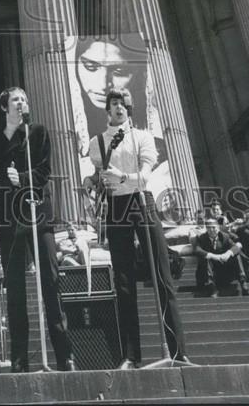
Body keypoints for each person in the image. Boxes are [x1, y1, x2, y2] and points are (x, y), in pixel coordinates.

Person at [86, 89, 190, 369]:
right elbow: (99, 175)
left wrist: (123, 176)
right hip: (115, 206)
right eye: (114, 104)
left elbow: (145, 175)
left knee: (162, 274)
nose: (118, 107)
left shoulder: (142, 137)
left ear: (129, 109)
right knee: (123, 280)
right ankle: (130, 356)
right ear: (107, 110)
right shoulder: (97, 142)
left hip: (142, 201)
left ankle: (178, 351)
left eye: (123, 104)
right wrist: (92, 181)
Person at [0, 86, 75, 373]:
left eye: (24, 99)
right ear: (4, 107)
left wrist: (20, 177)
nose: (21, 103)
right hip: (8, 220)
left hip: (37, 216)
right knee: (15, 290)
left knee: (51, 282)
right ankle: (20, 359)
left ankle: (64, 355)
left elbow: (44, 172)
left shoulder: (38, 133)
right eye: (15, 100)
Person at [194, 218, 249, 297]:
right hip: (211, 272)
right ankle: (212, 289)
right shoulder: (201, 238)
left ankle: (244, 287)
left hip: (225, 270)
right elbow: (197, 250)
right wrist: (214, 256)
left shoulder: (224, 236)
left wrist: (228, 253)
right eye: (209, 228)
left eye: (213, 227)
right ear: (206, 229)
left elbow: (236, 247)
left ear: (218, 227)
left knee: (236, 255)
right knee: (205, 258)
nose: (211, 230)